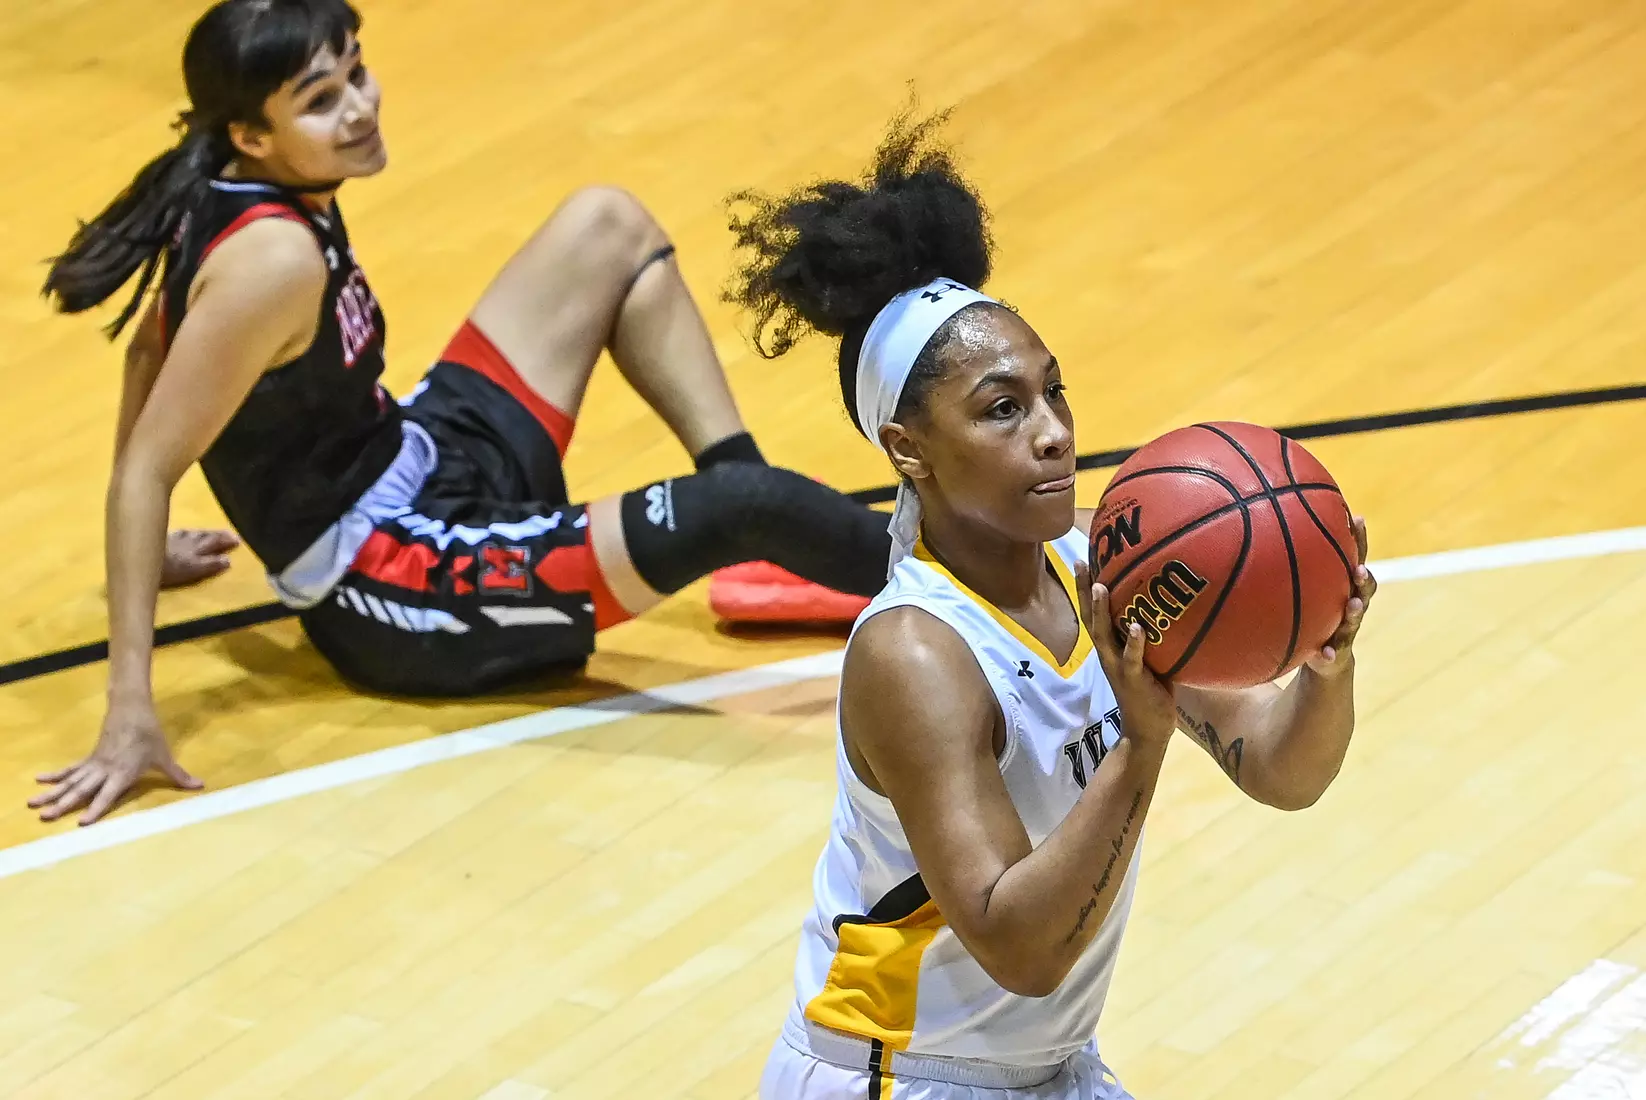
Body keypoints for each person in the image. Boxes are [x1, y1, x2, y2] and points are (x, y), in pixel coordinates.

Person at [29, 0, 890, 827]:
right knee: (751, 512)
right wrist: (128, 708)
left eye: (356, 75)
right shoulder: (274, 261)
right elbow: (150, 466)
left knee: (607, 225)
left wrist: (156, 543)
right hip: (389, 581)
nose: (361, 109)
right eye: (322, 102)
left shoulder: (228, 185)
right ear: (253, 135)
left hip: (416, 456)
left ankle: (753, 498)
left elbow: (151, 347)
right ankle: (977, 588)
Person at [723, 108, 1378, 1100]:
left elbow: (1281, 769)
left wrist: (1323, 661)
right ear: (907, 449)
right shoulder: (915, 653)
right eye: (1001, 408)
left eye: (1052, 392)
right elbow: (1017, 945)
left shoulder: (1095, 567)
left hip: (1044, 1069)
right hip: (899, 1076)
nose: (1053, 433)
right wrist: (1141, 745)